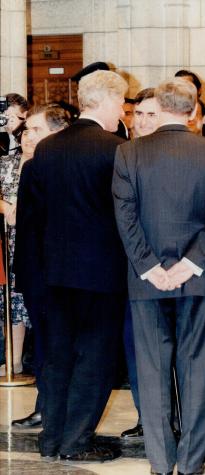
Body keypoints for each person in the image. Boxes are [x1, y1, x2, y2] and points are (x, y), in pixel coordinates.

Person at [112, 77, 205, 475]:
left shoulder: (129, 153)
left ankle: (161, 463)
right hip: (198, 279)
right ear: (193, 111)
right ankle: (191, 464)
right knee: (197, 368)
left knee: (151, 372)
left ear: (159, 108)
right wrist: (191, 264)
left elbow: (125, 217)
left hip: (145, 281)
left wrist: (150, 266)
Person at [29, 70, 128, 464]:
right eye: (121, 102)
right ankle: (77, 441)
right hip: (102, 275)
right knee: (95, 357)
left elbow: (33, 216)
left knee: (58, 356)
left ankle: (51, 438)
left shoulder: (46, 149)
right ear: (106, 101)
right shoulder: (116, 149)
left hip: (53, 274)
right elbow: (125, 215)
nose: (123, 109)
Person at [11, 104, 69, 428]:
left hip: (57, 270)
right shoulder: (26, 166)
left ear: (58, 132)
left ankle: (52, 407)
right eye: (26, 130)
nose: (26, 136)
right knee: (43, 343)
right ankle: (43, 404)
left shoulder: (56, 168)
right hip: (33, 269)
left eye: (36, 130)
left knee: (55, 341)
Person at [120, 87, 160, 440]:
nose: (143, 121)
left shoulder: (179, 155)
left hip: (174, 271)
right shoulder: (123, 153)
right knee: (136, 348)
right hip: (133, 269)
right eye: (138, 114)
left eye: (151, 114)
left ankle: (170, 415)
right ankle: (146, 416)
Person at [0, 124, 35, 377]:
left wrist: (21, 211)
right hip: (5, 237)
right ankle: (12, 358)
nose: (29, 138)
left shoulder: (49, 163)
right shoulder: (5, 162)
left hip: (33, 237)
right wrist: (7, 208)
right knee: (8, 299)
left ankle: (25, 357)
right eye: (25, 133)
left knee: (24, 299)